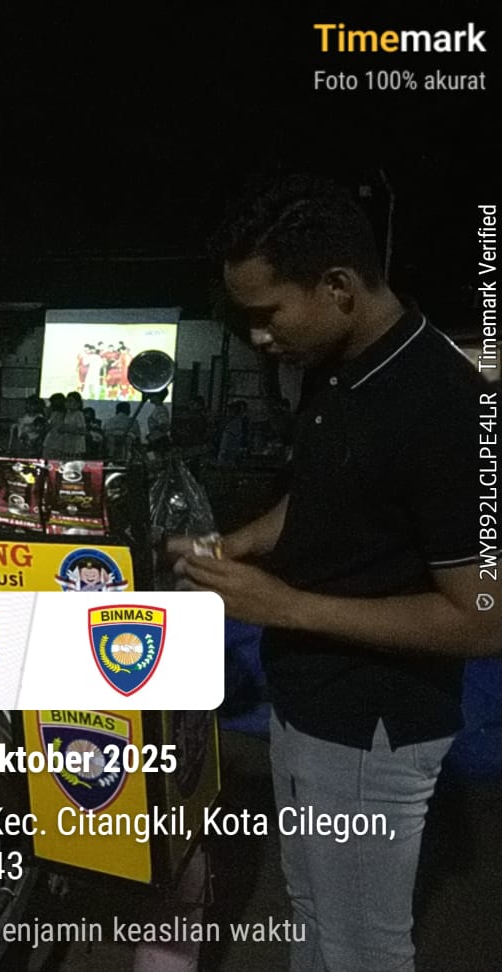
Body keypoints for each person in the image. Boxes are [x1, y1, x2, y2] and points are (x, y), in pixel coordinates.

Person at [175, 175, 500, 972]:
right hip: (305, 700)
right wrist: (238, 544)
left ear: (339, 287)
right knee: (311, 911)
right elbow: (326, 494)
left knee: (363, 948)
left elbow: (483, 618)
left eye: (267, 313)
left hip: (371, 726)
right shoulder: (336, 367)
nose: (258, 337)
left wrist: (284, 605)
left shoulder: (445, 407)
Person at [42, 390, 87, 459]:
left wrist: (68, 429)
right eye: (67, 401)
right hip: (66, 445)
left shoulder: (79, 414)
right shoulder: (67, 414)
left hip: (76, 447)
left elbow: (82, 430)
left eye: (71, 401)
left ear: (78, 403)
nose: (68, 403)